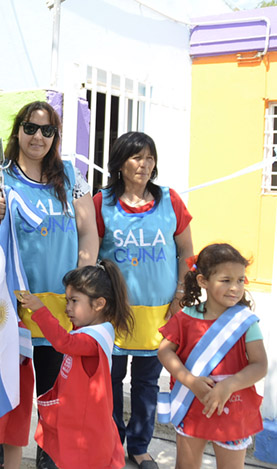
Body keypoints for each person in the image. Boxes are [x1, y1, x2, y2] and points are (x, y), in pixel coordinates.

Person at [0, 100, 98, 469]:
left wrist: (83, 280)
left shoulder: (72, 178)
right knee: (4, 385)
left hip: (57, 306)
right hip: (6, 304)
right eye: (30, 128)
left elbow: (88, 232)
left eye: (47, 130)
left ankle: (49, 455)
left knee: (52, 389)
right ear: (18, 131)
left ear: (55, 137)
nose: (38, 136)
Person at [94, 131, 193, 468]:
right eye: (137, 157)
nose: (144, 164)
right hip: (114, 314)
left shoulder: (170, 200)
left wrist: (181, 293)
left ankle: (139, 446)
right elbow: (90, 254)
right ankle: (111, 443)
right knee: (109, 382)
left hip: (160, 314)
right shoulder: (101, 202)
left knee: (147, 382)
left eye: (149, 157)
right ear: (120, 163)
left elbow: (186, 252)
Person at [158, 243, 267, 469]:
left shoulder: (246, 322)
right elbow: (164, 351)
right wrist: (190, 381)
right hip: (191, 403)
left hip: (233, 407)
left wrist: (228, 386)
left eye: (240, 280)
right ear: (203, 281)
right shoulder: (185, 318)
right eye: (226, 280)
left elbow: (259, 365)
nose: (235, 287)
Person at [19, 259, 133, 469]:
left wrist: (40, 311)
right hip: (76, 421)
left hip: (85, 429)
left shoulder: (94, 338)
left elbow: (64, 342)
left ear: (99, 304)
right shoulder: (89, 329)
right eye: (67, 301)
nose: (67, 308)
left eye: (74, 301)